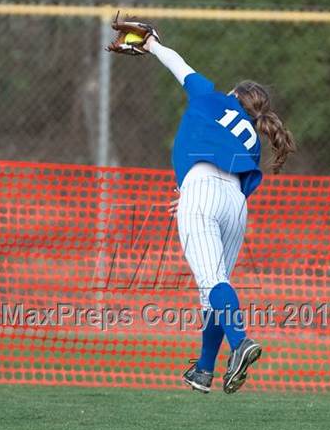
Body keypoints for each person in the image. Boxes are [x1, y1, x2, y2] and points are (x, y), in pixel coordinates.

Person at [108, 20, 295, 394]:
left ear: (234, 95)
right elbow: (236, 177)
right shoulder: (252, 136)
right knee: (214, 287)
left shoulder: (212, 98)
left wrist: (155, 45)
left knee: (213, 285)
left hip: (202, 191)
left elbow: (178, 65)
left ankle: (241, 342)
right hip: (235, 204)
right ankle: (203, 371)